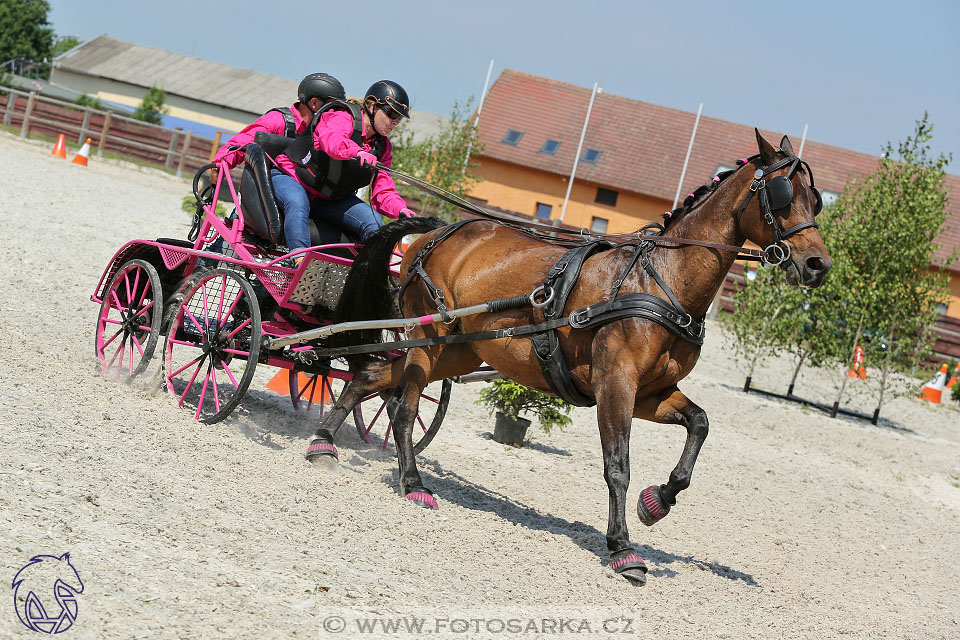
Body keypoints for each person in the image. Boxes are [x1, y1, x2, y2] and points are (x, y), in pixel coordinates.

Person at [200, 73, 345, 262]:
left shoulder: (323, 132)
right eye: (331, 107)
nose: (336, 114)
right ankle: (186, 284)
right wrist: (220, 165)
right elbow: (241, 143)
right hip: (261, 202)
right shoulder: (278, 121)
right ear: (315, 103)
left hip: (295, 211)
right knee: (213, 259)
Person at [271, 79, 417, 259]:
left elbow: (383, 190)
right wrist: (357, 152)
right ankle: (297, 261)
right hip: (293, 178)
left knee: (373, 221)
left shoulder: (382, 148)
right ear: (371, 106)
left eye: (399, 118)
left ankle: (366, 273)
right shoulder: (342, 116)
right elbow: (331, 139)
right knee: (297, 202)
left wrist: (401, 210)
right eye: (391, 114)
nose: (395, 122)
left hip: (327, 198)